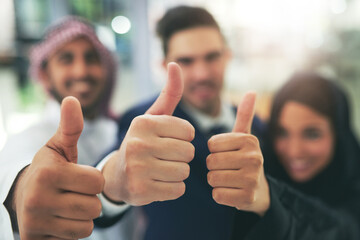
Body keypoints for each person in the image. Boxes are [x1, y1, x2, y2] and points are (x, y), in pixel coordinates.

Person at [98, 6, 360, 240]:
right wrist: (112, 181)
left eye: (211, 57)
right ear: (165, 65)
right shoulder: (147, 123)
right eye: (186, 61)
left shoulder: (257, 126)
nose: (202, 73)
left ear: (227, 56)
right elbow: (102, 190)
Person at [0, 16, 127, 240]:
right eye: (66, 59)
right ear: (44, 75)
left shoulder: (119, 131)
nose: (81, 71)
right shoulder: (26, 139)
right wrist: (20, 194)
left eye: (91, 58)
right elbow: (13, 180)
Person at [262, 72, 360, 237]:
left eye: (312, 134)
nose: (294, 151)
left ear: (338, 135)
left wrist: (268, 197)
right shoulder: (265, 168)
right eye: (282, 133)